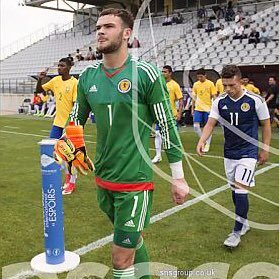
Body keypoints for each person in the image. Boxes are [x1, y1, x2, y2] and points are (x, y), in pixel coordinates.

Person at [60, 8, 189, 279]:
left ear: (127, 33)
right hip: (103, 178)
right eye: (98, 27)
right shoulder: (87, 77)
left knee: (120, 260)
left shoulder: (146, 74)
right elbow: (75, 119)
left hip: (135, 183)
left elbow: (166, 126)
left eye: (108, 26)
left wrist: (178, 177)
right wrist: (70, 144)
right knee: (133, 242)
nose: (100, 32)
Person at [196, 65, 271, 248]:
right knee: (235, 191)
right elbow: (211, 123)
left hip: (248, 152)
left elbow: (266, 125)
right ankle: (243, 222)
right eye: (225, 85)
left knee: (240, 188)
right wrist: (202, 140)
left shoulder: (255, 100)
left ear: (240, 81)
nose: (228, 89)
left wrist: (265, 148)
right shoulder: (220, 101)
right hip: (229, 152)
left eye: (232, 85)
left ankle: (236, 232)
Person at [36, 58, 78, 195]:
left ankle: (71, 182)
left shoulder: (74, 83)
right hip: (57, 124)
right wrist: (39, 79)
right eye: (58, 65)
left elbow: (76, 106)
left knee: (69, 156)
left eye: (62, 66)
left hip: (69, 124)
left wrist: (71, 124)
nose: (59, 68)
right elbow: (39, 91)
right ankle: (65, 178)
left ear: (69, 67)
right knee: (55, 153)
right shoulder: (55, 81)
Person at [152, 65, 183, 163]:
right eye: (162, 71)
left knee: (173, 137)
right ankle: (158, 155)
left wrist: (179, 113)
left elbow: (181, 100)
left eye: (165, 72)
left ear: (170, 73)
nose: (163, 73)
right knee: (157, 134)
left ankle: (176, 156)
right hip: (160, 114)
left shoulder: (175, 85)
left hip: (171, 115)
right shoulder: (159, 84)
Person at [192, 68, 217, 152]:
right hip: (198, 108)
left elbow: (214, 96)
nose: (200, 78)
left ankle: (207, 144)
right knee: (196, 126)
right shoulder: (196, 84)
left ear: (205, 75)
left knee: (208, 127)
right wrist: (192, 108)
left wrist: (215, 108)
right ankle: (204, 141)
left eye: (201, 77)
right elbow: (194, 97)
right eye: (198, 77)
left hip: (208, 109)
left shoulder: (210, 84)